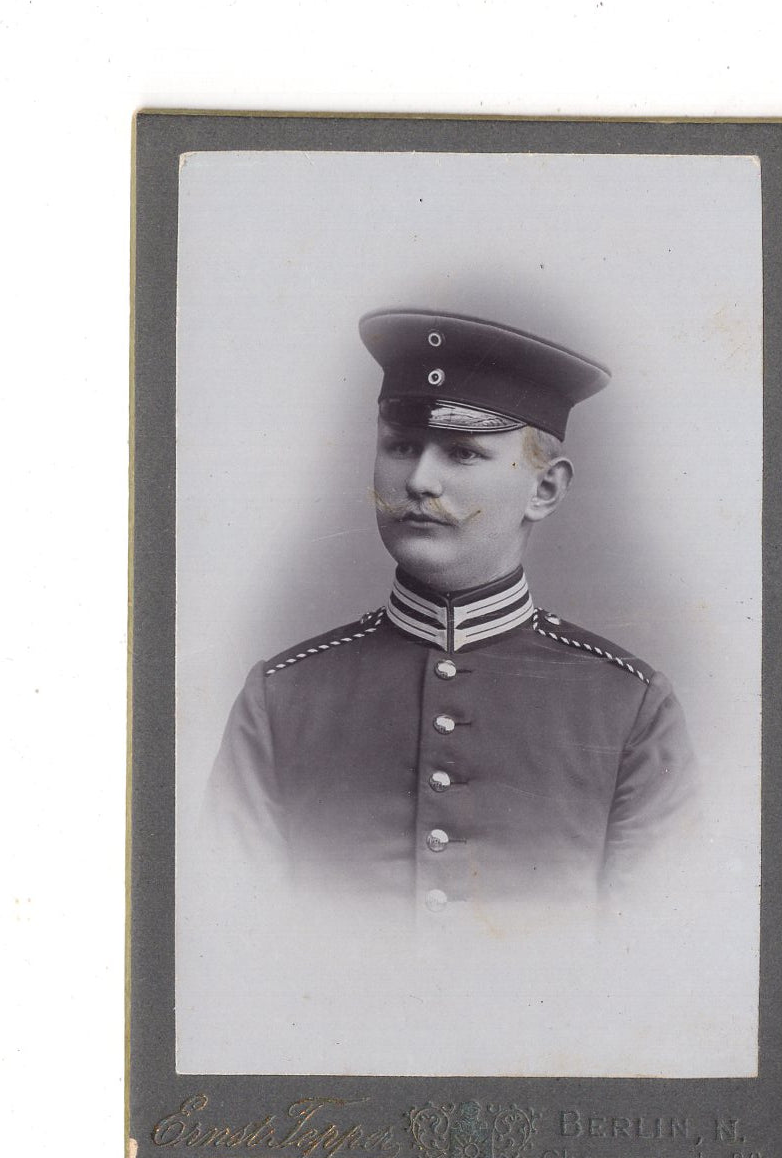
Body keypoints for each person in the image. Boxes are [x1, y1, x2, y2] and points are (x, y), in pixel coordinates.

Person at [204, 308, 697, 934]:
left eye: (462, 452)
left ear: (545, 489)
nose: (419, 480)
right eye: (402, 446)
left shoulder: (628, 707)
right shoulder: (281, 698)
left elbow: (656, 955)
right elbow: (232, 943)